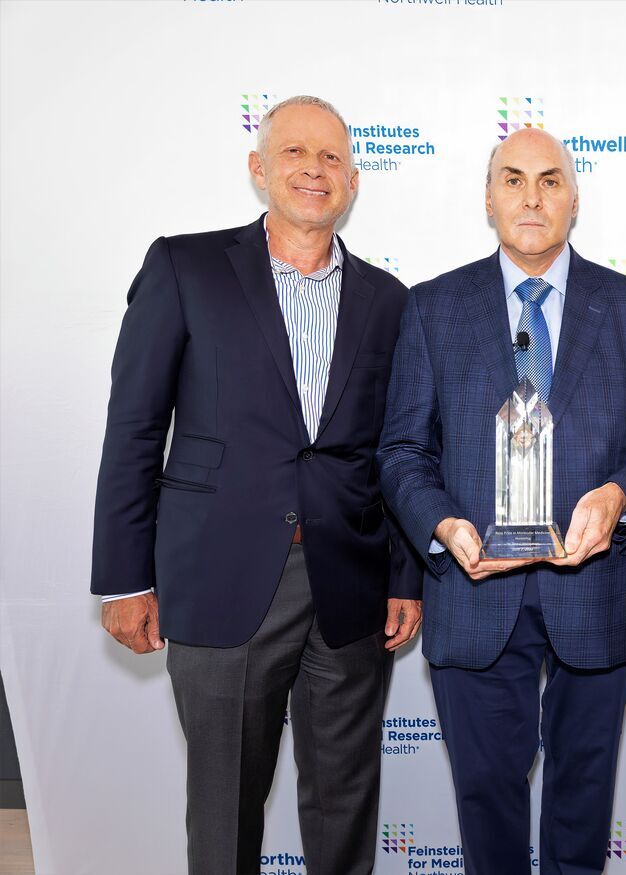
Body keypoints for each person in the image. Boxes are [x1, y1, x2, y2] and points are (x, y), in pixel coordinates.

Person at [91, 95, 422, 875]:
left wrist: (406, 575)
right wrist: (124, 577)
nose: (315, 169)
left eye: (333, 157)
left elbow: (399, 449)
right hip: (219, 573)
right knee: (224, 805)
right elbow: (135, 426)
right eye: (297, 153)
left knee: (344, 803)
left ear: (353, 180)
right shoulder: (185, 266)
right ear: (259, 168)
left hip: (350, 580)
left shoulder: (389, 300)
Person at [376, 127, 626, 875]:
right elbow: (401, 451)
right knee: (485, 796)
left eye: (550, 180)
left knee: (582, 798)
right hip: (472, 590)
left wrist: (618, 497)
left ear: (574, 199)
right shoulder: (431, 308)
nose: (531, 195)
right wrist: (443, 524)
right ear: (487, 198)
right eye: (513, 179)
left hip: (598, 588)